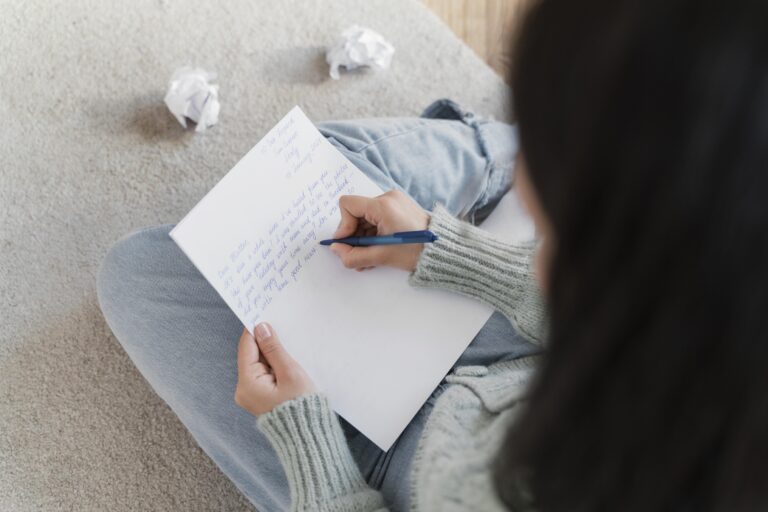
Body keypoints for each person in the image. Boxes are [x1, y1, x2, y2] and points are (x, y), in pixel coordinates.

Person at [98, 0, 768, 510]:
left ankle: (494, 152)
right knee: (338, 178)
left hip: (395, 475)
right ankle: (505, 152)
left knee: (139, 274)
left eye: (557, 215)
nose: (532, 230)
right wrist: (444, 246)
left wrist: (306, 443)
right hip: (529, 362)